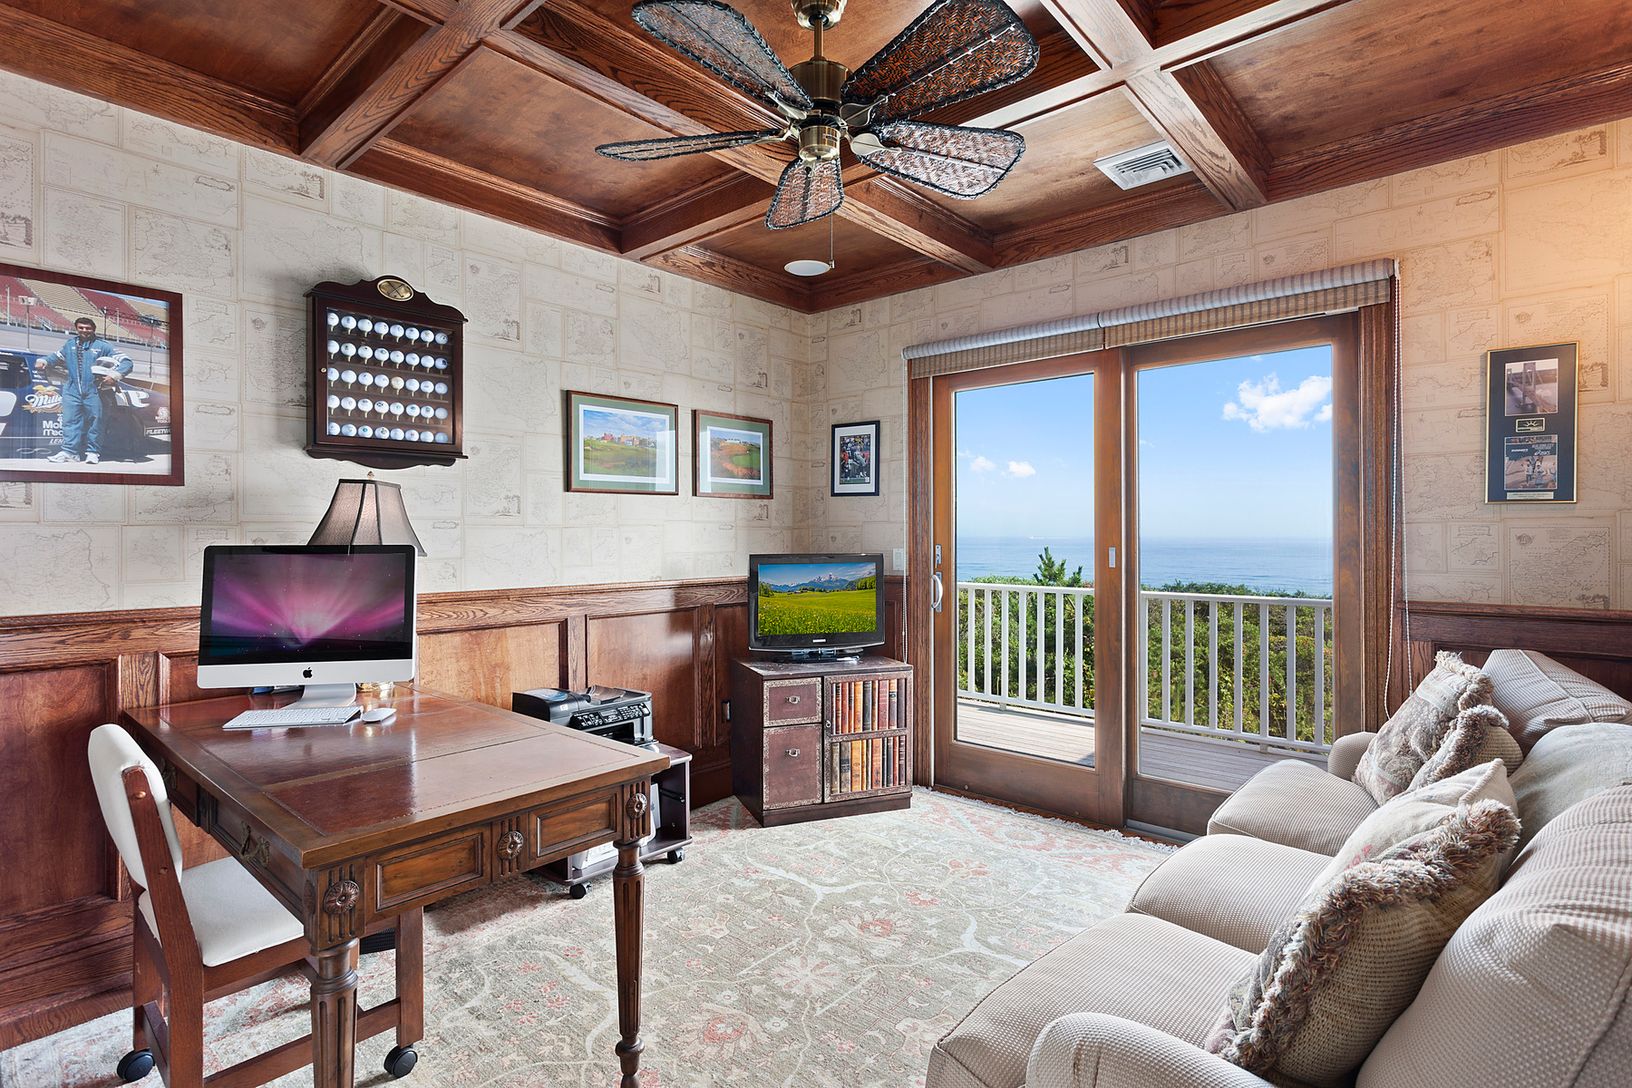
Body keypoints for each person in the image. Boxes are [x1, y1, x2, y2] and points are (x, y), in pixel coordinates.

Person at [35, 316, 131, 464]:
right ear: (76, 328)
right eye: (81, 328)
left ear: (94, 329)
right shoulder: (69, 344)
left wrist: (115, 376)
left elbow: (127, 362)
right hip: (72, 389)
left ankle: (93, 452)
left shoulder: (104, 346)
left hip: (96, 390)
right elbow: (55, 357)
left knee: (96, 422)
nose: (84, 330)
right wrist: (44, 361)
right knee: (69, 422)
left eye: (88, 328)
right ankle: (69, 452)